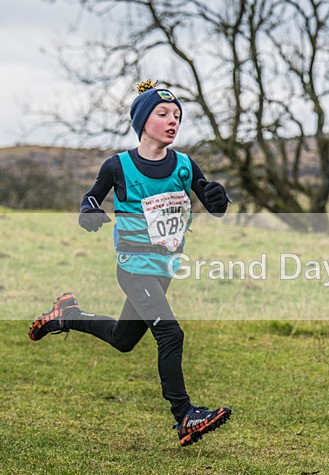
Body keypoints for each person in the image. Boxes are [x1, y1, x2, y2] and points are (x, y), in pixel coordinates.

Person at [29, 80, 232, 447]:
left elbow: (213, 204)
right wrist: (88, 213)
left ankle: (66, 315)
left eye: (177, 116)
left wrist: (219, 198)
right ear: (142, 121)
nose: (173, 121)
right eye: (163, 114)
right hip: (134, 268)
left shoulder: (185, 166)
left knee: (123, 340)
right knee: (170, 333)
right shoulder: (118, 167)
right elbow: (90, 200)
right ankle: (185, 414)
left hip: (163, 270)